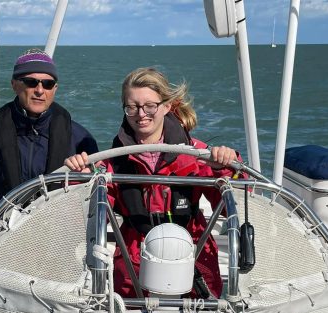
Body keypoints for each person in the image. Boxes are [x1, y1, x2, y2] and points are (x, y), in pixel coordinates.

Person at [65, 67, 243, 299]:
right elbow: (83, 216)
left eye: (150, 106)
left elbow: (235, 204)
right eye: (132, 107)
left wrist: (227, 165)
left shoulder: (197, 154)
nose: (141, 114)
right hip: (134, 266)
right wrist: (81, 176)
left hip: (193, 258)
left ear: (167, 106)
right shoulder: (112, 162)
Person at [0, 48, 98, 225]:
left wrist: (84, 176)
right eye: (31, 82)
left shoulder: (80, 137)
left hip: (57, 229)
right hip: (3, 229)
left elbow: (95, 190)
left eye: (48, 84)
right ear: (15, 85)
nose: (40, 90)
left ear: (55, 89)